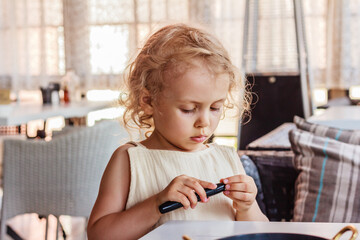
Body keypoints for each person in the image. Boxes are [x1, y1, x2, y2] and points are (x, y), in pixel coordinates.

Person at [87, 23, 268, 240]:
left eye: (215, 108)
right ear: (148, 101)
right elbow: (99, 235)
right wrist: (156, 204)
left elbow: (260, 234)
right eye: (189, 109)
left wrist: (247, 207)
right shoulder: (130, 160)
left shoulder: (226, 159)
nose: (204, 122)